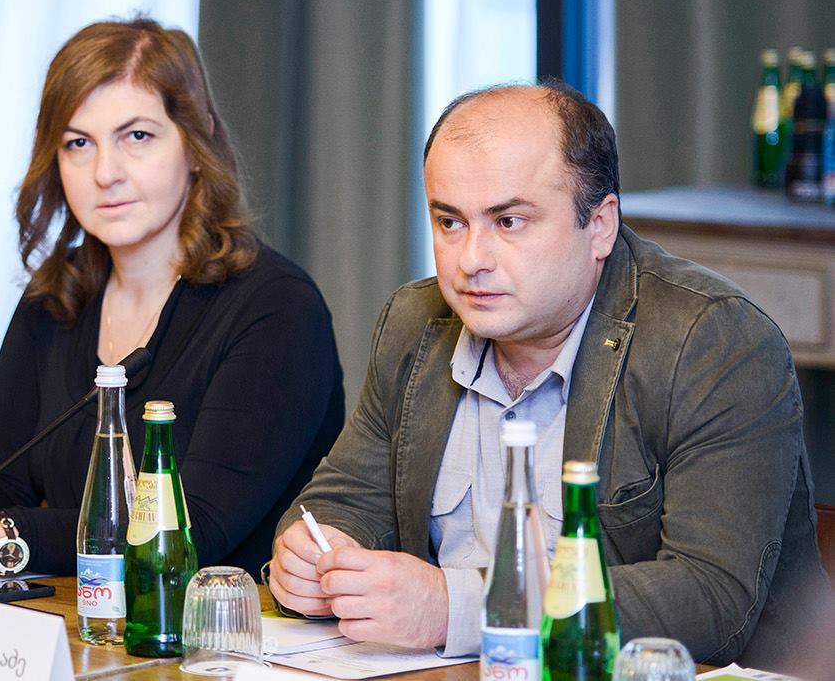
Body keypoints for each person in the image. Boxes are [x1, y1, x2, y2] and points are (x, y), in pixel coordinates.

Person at [269, 82, 833, 670]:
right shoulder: (416, 322)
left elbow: (709, 601)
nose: (471, 261)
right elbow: (346, 499)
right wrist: (317, 557)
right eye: (450, 222)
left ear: (601, 226)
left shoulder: (714, 342)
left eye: (509, 221)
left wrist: (456, 608)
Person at [0, 18, 345, 579]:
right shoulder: (57, 296)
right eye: (79, 144)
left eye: (137, 137)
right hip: (81, 618)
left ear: (197, 143)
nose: (105, 173)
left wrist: (2, 537)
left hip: (221, 626)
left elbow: (196, 530)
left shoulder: (277, 308)